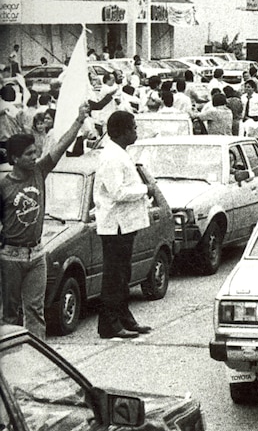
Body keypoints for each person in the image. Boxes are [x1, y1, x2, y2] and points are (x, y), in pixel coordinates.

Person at [1, 103, 89, 337]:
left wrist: (79, 120)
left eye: (35, 152)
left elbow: (61, 146)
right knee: (9, 315)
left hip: (37, 255)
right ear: (14, 158)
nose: (35, 156)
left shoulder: (39, 171)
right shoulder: (4, 186)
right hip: (10, 256)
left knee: (35, 311)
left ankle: (38, 362)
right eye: (29, 154)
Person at [94, 111, 154, 339]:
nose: (136, 132)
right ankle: (109, 324)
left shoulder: (120, 153)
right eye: (134, 128)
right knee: (114, 276)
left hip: (126, 224)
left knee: (123, 275)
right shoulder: (111, 157)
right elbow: (117, 192)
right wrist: (145, 189)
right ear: (123, 131)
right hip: (115, 225)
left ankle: (124, 317)